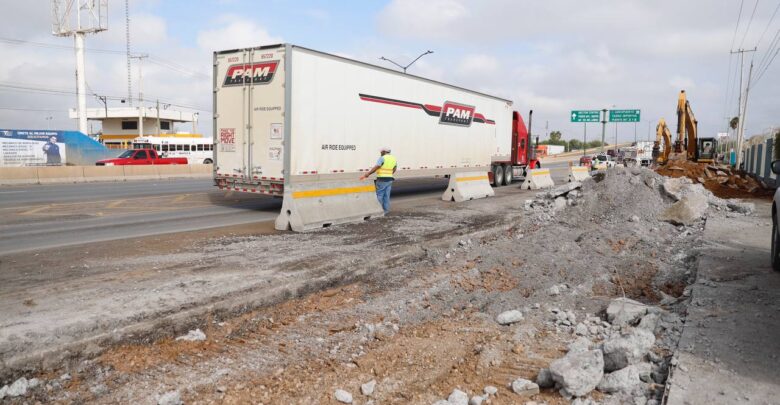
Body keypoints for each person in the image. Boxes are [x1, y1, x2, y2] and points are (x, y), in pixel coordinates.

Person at [360, 147, 397, 214]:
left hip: (382, 179)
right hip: (389, 179)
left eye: (381, 151)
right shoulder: (393, 158)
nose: (380, 153)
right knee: (386, 196)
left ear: (384, 151)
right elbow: (394, 168)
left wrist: (368, 174)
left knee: (380, 195)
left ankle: (378, 211)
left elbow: (376, 167)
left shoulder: (382, 158)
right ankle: (386, 211)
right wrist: (389, 174)